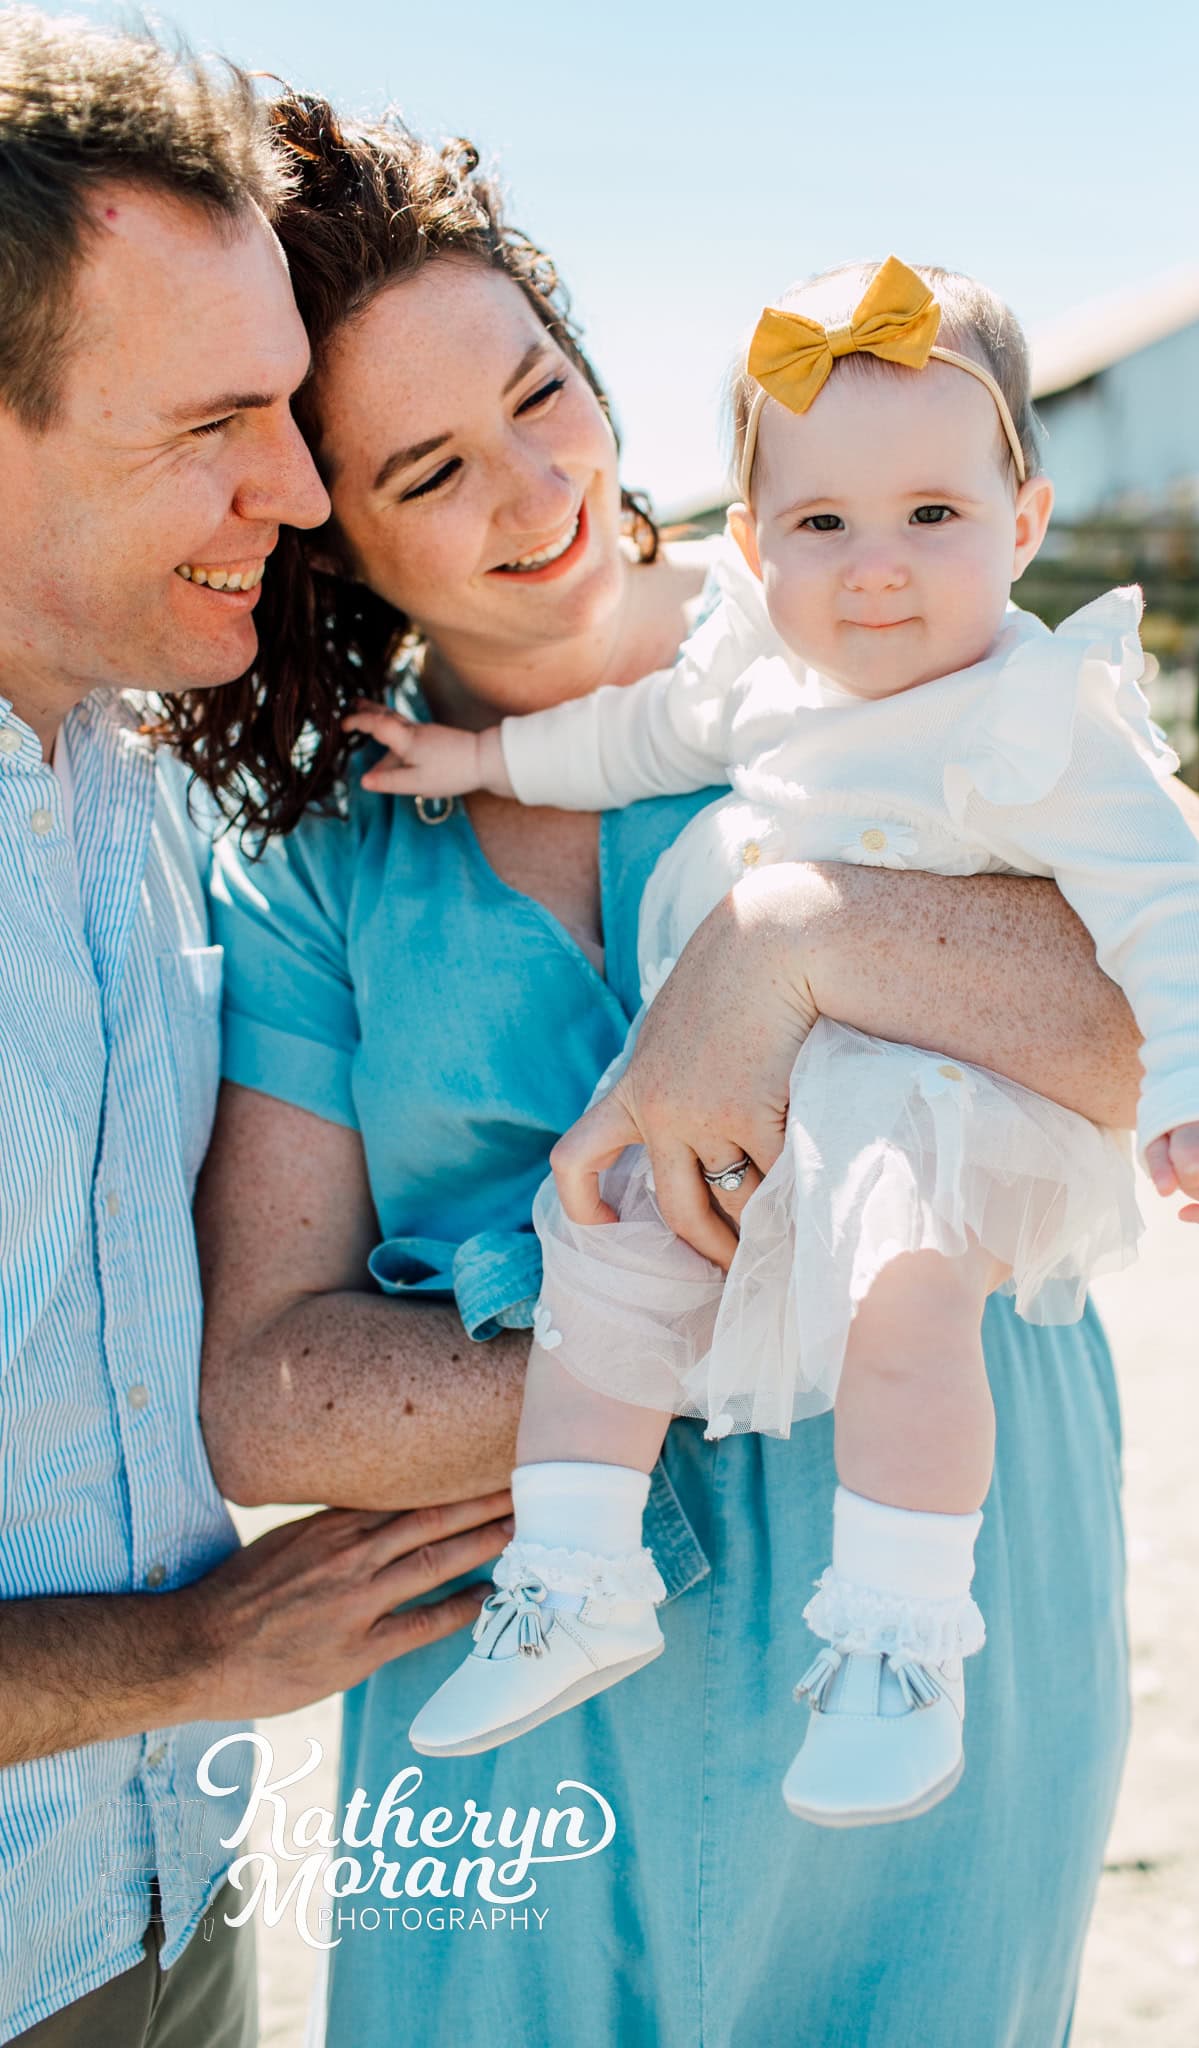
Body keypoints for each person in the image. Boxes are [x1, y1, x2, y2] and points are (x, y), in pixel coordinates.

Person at [194, 91, 1199, 2047]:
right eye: (427, 467)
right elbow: (264, 1396)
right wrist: (663, 1340)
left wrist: (794, 939)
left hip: (933, 1626)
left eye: (542, 391)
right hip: (517, 1676)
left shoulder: (882, 624)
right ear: (336, 533)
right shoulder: (321, 862)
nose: (536, 489)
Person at [343, 252, 1199, 1829]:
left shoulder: (1037, 717)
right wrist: (482, 751)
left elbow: (1170, 912)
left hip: (923, 1108)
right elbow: (629, 737)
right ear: (752, 545)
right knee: (604, 1241)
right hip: (726, 1089)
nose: (877, 571)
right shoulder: (758, 670)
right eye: (821, 526)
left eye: (933, 517)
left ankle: (898, 1645)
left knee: (903, 1306)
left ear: (1024, 527)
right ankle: (575, 1574)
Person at [0, 19, 514, 2044]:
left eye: (295, 410)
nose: (298, 493)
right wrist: (187, 1648)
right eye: (216, 420)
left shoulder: (152, 787)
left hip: (175, 1897)